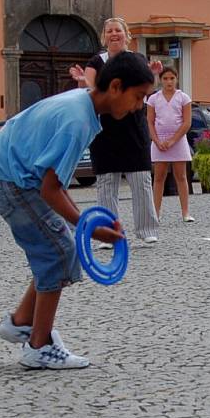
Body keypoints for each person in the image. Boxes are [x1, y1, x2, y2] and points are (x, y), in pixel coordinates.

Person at [0, 52, 154, 369]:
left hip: (5, 171)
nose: (140, 106)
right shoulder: (78, 121)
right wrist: (90, 228)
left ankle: (21, 321)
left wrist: (84, 224)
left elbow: (55, 185)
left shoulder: (82, 104)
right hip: (6, 178)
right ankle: (38, 346)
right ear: (115, 86)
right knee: (58, 250)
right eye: (138, 97)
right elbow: (50, 189)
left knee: (56, 246)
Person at [69, 17, 161, 247]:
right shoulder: (96, 61)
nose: (114, 34)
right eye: (109, 31)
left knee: (140, 179)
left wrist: (155, 75)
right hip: (105, 129)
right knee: (106, 183)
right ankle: (109, 231)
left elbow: (147, 89)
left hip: (133, 127)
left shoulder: (137, 59)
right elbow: (90, 89)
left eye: (118, 30)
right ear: (104, 36)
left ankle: (147, 229)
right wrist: (81, 82)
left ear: (126, 34)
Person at [147, 66, 194, 222]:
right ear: (160, 80)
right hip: (160, 140)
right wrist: (156, 140)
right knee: (159, 177)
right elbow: (150, 122)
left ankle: (185, 212)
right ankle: (156, 213)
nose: (169, 82)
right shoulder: (153, 99)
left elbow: (187, 122)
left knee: (181, 176)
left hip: (178, 140)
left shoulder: (183, 98)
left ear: (177, 79)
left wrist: (174, 140)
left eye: (172, 78)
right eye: (165, 78)